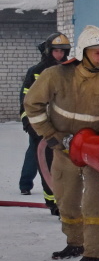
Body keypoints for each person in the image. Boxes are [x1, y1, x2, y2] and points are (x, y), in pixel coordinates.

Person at [24, 25, 99, 261]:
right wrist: (51, 136)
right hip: (63, 150)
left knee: (95, 202)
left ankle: (93, 252)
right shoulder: (56, 75)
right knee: (66, 200)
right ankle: (75, 243)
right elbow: (33, 105)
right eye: (98, 53)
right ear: (83, 52)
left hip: (94, 152)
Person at [19, 33, 71, 216]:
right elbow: (26, 101)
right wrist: (31, 126)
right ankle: (54, 203)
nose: (59, 55)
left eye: (62, 52)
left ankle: (66, 201)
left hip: (65, 129)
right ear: (49, 51)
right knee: (47, 166)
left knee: (66, 167)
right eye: (56, 51)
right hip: (41, 130)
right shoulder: (36, 71)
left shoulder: (70, 70)